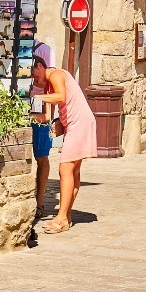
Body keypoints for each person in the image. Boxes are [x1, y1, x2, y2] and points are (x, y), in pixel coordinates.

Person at [32, 48, 97, 234]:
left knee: (65, 168)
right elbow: (50, 111)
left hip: (79, 124)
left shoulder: (56, 75)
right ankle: (66, 216)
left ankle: (60, 218)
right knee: (73, 171)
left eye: (34, 75)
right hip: (76, 124)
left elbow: (61, 96)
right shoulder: (47, 83)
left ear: (40, 66)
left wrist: (35, 97)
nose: (35, 80)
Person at [28, 42, 54, 215]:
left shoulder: (45, 50)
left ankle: (39, 201)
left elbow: (47, 116)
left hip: (40, 117)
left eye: (34, 73)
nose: (34, 77)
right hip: (27, 113)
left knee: (42, 158)